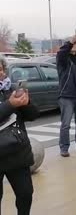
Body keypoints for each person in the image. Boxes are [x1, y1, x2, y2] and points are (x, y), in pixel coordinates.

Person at [0, 57, 39, 215]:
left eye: (1, 69)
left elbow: (32, 115)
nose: (0, 73)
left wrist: (26, 103)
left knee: (25, 194)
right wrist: (10, 105)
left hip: (17, 151)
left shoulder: (11, 89)